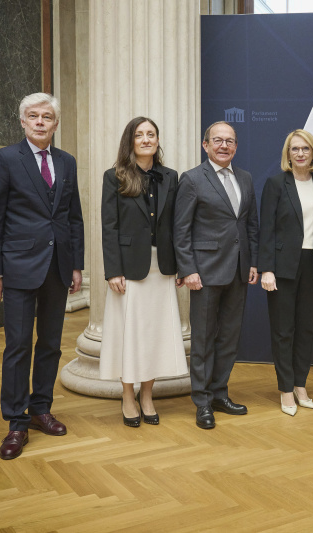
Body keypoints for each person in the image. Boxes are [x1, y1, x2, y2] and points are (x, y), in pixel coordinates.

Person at [0, 93, 84, 460]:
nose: (40, 122)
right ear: (22, 122)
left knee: (51, 344)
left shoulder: (66, 162)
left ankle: (41, 409)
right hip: (18, 267)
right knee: (19, 345)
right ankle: (16, 423)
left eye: (47, 117)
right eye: (33, 116)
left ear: (55, 124)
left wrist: (76, 264)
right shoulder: (5, 159)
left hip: (57, 266)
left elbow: (73, 217)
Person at [99, 117, 189, 427]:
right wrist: (113, 271)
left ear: (157, 140)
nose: (146, 139)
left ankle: (147, 395)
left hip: (161, 268)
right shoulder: (114, 177)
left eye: (151, 134)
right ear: (131, 141)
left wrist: (180, 267)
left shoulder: (170, 177)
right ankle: (127, 395)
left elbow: (178, 227)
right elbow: (108, 227)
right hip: (128, 269)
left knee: (153, 335)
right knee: (130, 334)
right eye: (140, 135)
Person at [174, 121, 259, 430]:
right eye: (218, 140)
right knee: (204, 339)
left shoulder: (246, 179)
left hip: (238, 270)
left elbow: (250, 224)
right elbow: (180, 230)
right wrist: (189, 269)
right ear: (205, 145)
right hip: (205, 272)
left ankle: (221, 393)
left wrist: (253, 261)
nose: (224, 146)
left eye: (230, 141)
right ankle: (202, 401)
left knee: (228, 338)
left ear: (236, 146)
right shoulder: (193, 179)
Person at [258, 130, 313, 416]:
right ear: (287, 154)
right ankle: (286, 389)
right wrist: (267, 269)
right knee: (283, 330)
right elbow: (266, 229)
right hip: (282, 268)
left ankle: (301, 384)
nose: (300, 154)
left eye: (305, 149)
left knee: (306, 328)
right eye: (294, 149)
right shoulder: (276, 184)